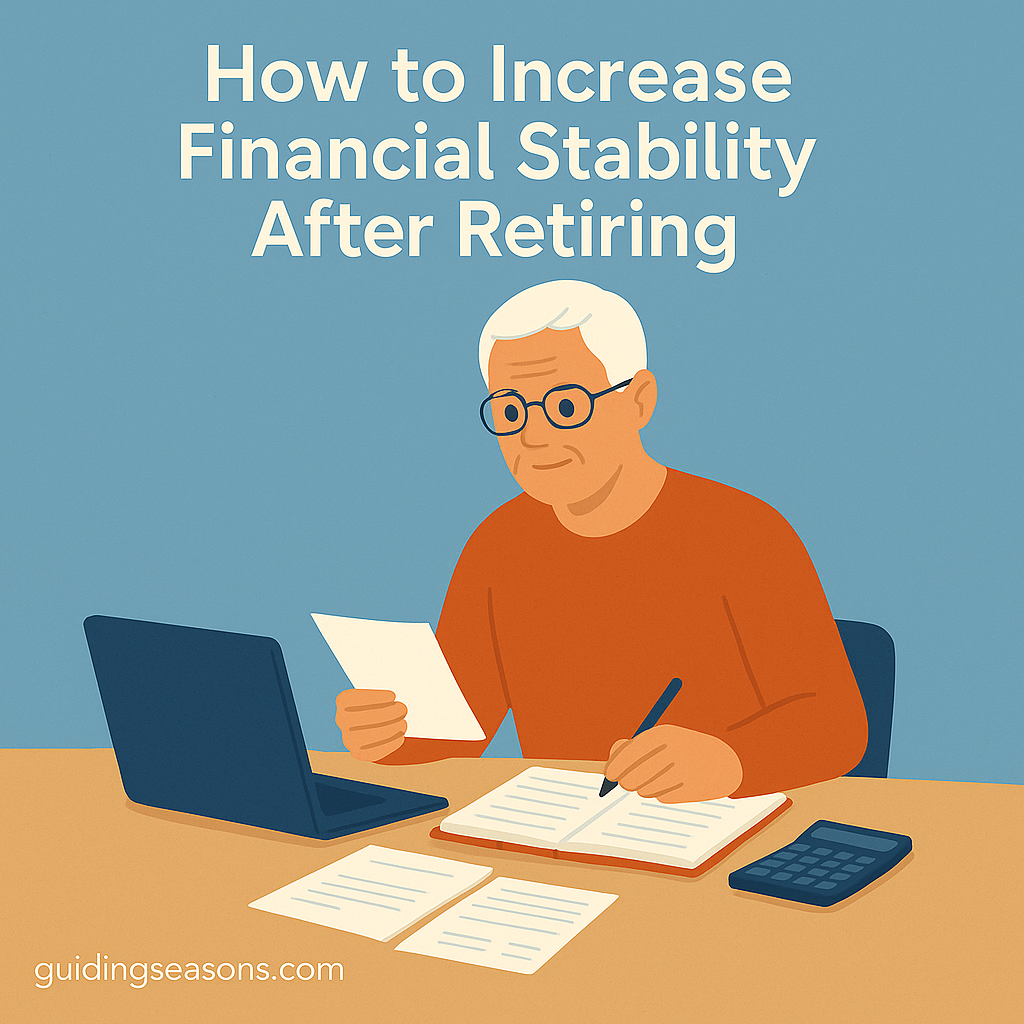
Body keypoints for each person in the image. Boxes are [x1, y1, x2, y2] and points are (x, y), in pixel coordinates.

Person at [336, 280, 868, 802]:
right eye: (510, 410)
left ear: (639, 400)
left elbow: (835, 726)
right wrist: (392, 732)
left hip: (717, 832)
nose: (534, 436)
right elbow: (461, 730)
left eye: (566, 406)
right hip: (560, 837)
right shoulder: (499, 543)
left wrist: (729, 761)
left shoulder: (744, 533)